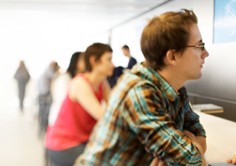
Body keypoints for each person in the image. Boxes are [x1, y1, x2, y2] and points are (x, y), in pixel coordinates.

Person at [80, 9, 209, 165]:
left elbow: (197, 132)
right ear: (172, 56)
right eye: (199, 45)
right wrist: (192, 145)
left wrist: (192, 145)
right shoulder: (139, 91)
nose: (205, 53)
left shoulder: (177, 86)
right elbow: (191, 159)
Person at [45, 43, 114, 166]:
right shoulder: (80, 83)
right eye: (109, 60)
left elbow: (115, 107)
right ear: (94, 61)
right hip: (63, 145)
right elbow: (105, 117)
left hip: (83, 140)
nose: (113, 65)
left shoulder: (102, 83)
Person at [48, 51, 85, 127]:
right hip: (60, 121)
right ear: (76, 62)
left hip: (67, 120)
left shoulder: (77, 79)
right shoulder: (65, 78)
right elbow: (63, 100)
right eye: (83, 60)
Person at [37, 61, 60, 137]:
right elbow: (56, 77)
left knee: (43, 113)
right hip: (45, 94)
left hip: (42, 94)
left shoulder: (46, 71)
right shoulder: (49, 71)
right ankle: (43, 130)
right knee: (45, 113)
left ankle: (41, 130)